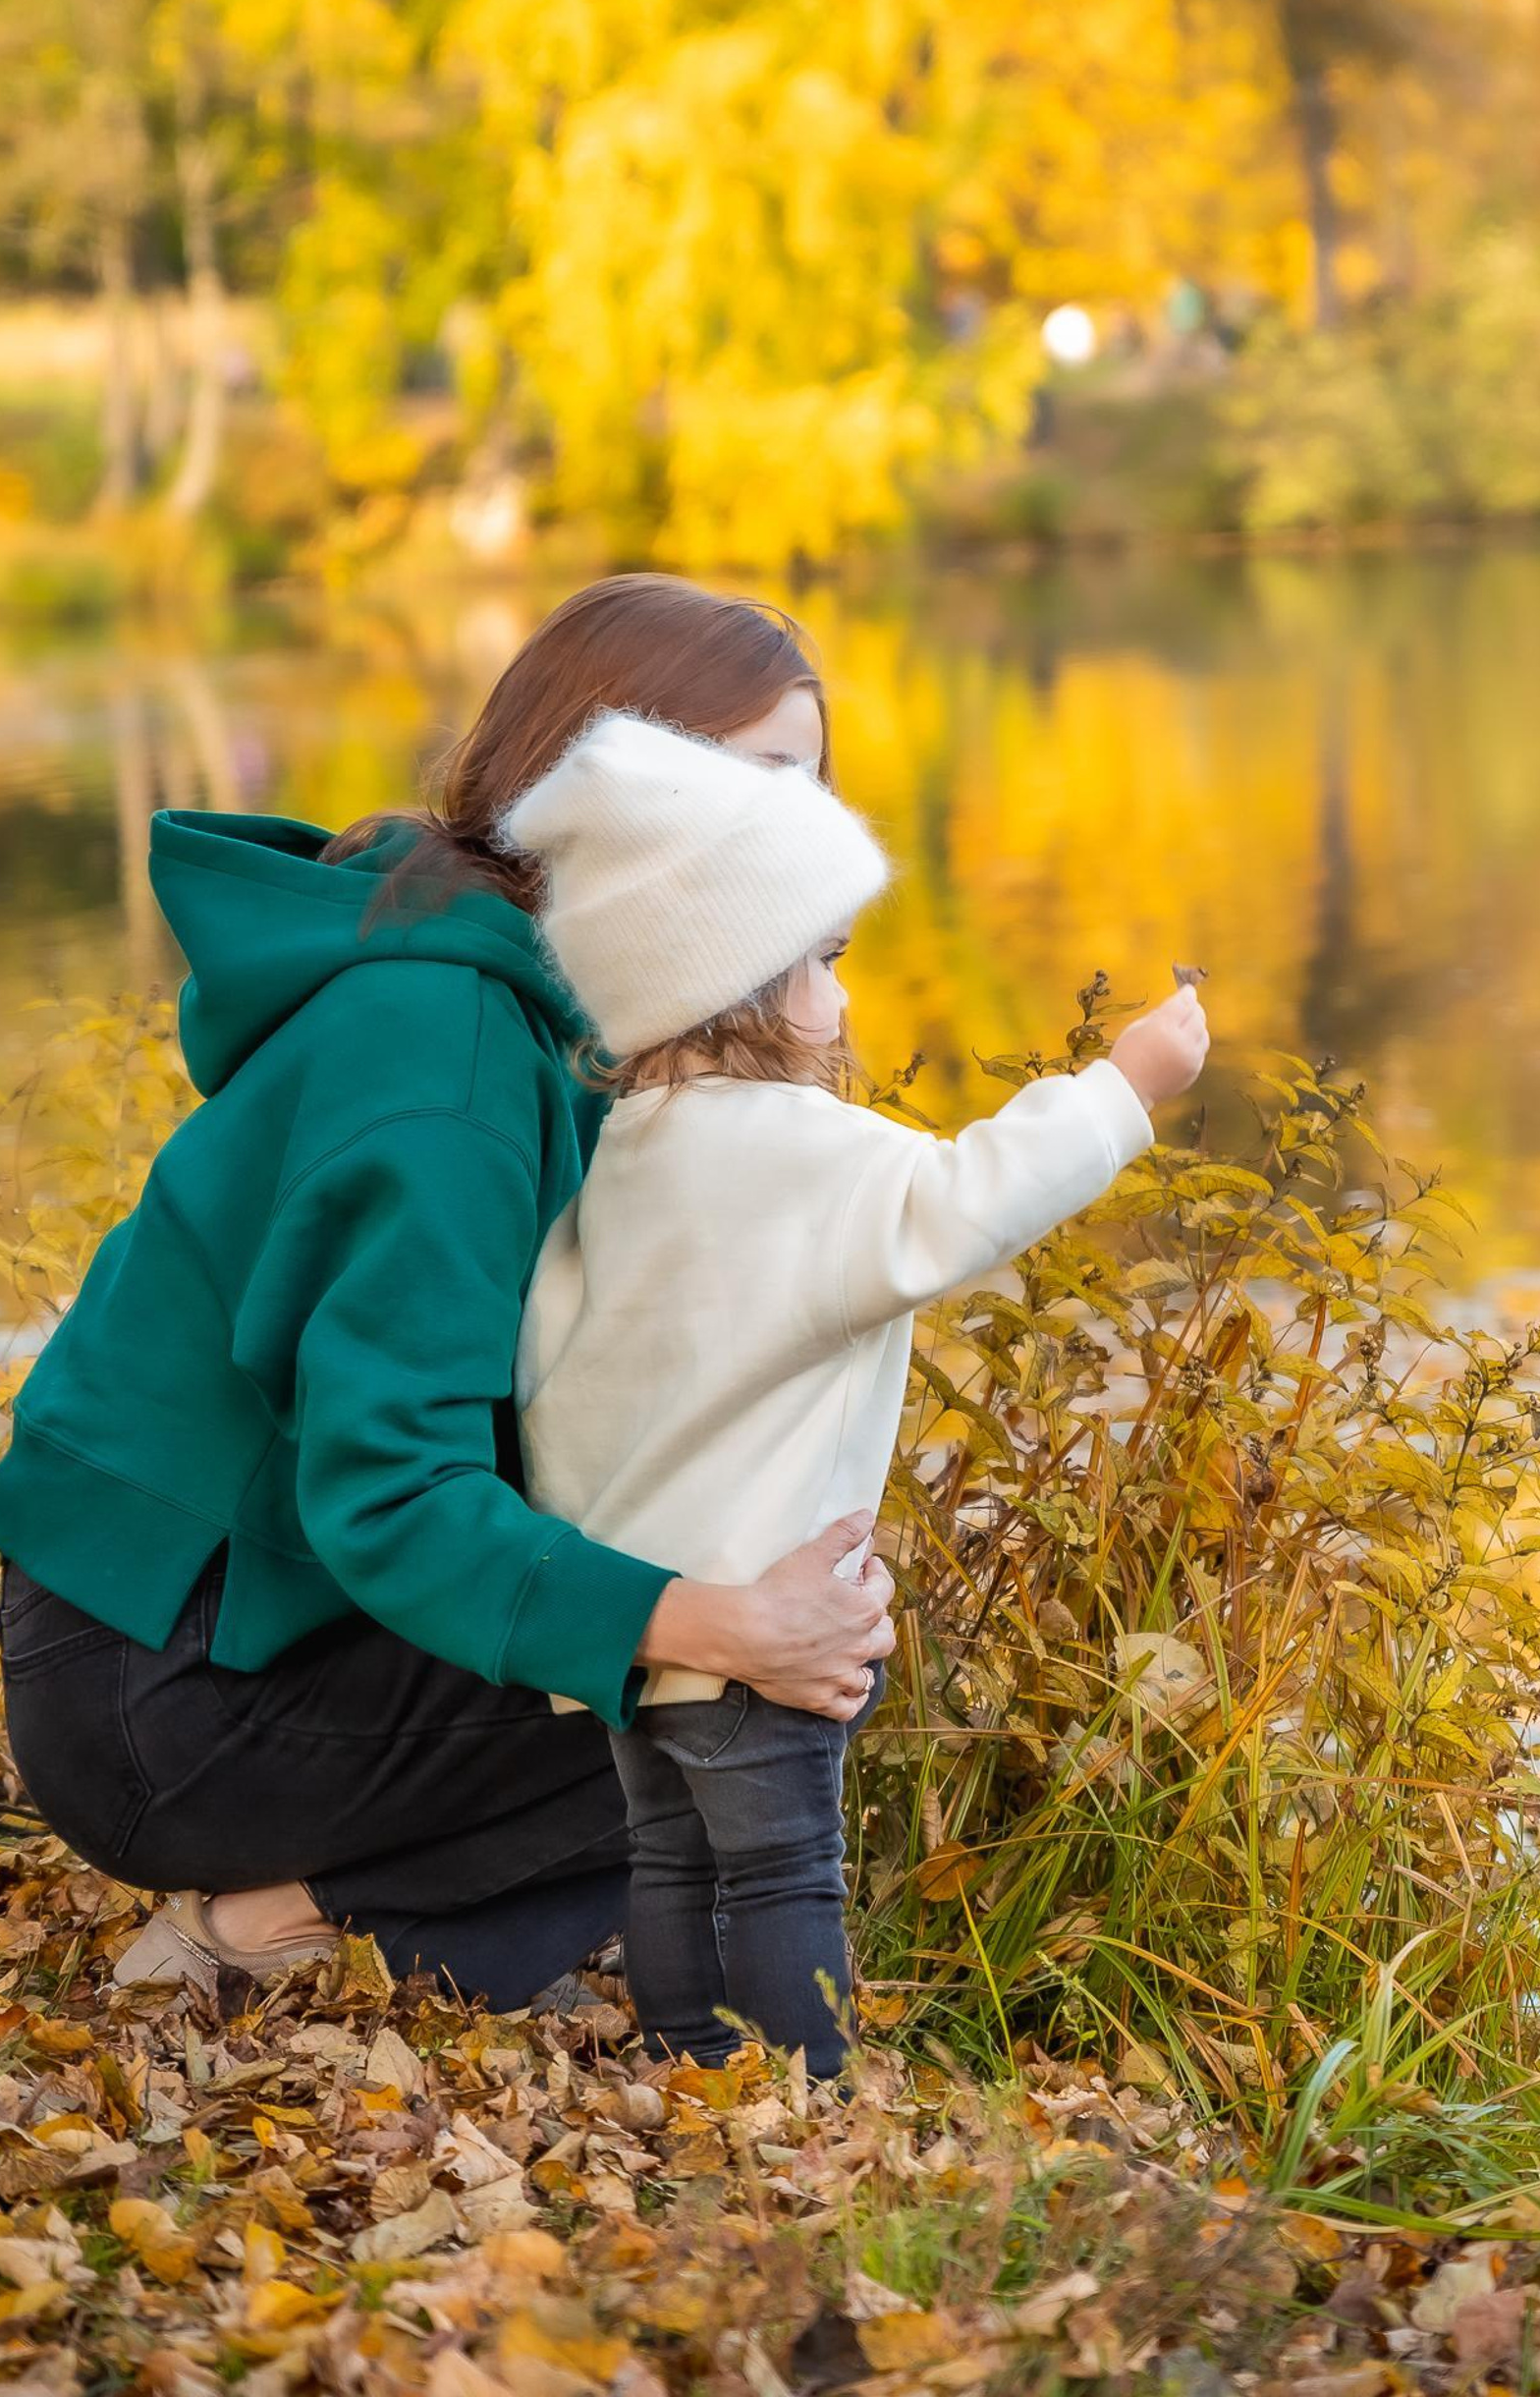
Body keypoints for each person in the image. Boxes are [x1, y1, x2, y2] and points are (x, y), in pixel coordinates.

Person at [0, 577, 897, 2008]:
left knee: (798, 1637)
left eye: (812, 790)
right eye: (762, 782)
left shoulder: (575, 1005)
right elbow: (392, 1486)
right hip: (167, 1693)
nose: (805, 834)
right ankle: (273, 1929)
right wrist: (713, 1622)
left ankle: (415, 1915)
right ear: (604, 774)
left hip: (278, 1609)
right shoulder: (449, 1050)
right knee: (748, 1677)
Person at [507, 715, 1210, 2077]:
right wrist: (1125, 1090)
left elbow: (558, 1378)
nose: (841, 991)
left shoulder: (613, 1160)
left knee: (670, 1859)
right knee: (784, 1869)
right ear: (739, 984)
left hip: (638, 1617)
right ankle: (808, 2101)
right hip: (767, 1610)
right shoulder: (802, 1151)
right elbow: (965, 1200)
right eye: (824, 959)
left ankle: (692, 2072)